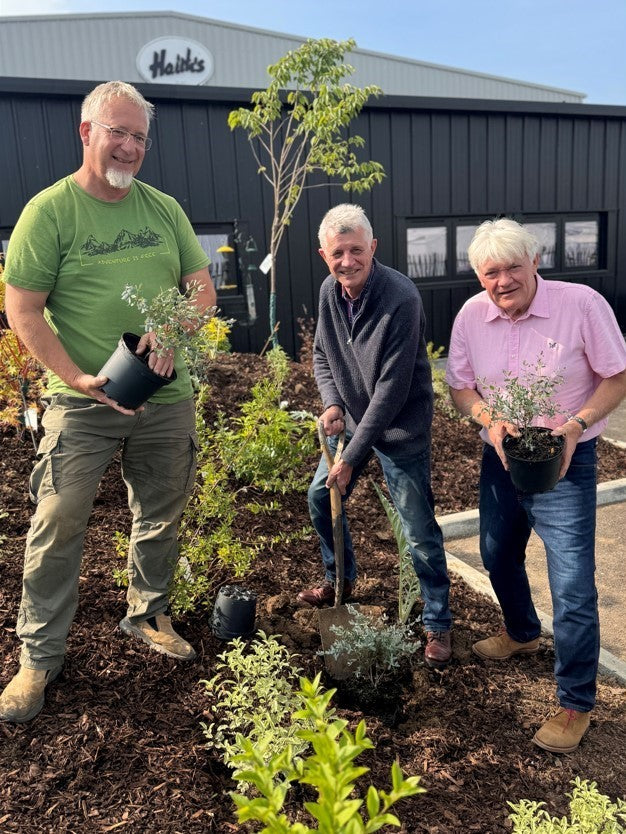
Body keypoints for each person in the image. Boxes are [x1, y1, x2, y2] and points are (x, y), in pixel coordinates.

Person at [0, 81, 216, 723]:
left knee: (160, 510)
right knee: (60, 520)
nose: (129, 146)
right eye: (117, 131)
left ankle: (147, 614)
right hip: (82, 402)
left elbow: (201, 289)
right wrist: (77, 376)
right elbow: (24, 311)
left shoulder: (163, 209)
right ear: (86, 132)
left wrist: (174, 332)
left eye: (140, 137)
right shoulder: (50, 212)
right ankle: (38, 656)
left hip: (165, 395)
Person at [446, 217, 626, 753]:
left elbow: (617, 376)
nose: (502, 281)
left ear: (535, 263)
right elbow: (460, 386)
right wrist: (487, 416)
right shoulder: (471, 316)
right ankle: (523, 632)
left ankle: (575, 703)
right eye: (491, 272)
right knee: (497, 554)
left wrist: (573, 426)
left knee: (571, 587)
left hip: (567, 458)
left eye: (513, 268)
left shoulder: (582, 305)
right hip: (502, 456)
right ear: (480, 276)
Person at [297, 203, 452, 668]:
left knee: (417, 529)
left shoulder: (401, 298)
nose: (348, 261)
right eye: (338, 252)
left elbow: (391, 390)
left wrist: (350, 458)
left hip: (399, 427)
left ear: (373, 248)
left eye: (356, 250)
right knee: (319, 497)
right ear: (323, 254)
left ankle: (439, 622)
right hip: (355, 422)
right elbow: (322, 354)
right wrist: (332, 403)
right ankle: (338, 580)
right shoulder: (330, 292)